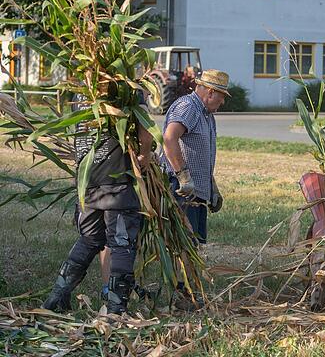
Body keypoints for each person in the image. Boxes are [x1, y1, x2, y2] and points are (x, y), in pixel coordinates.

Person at [43, 93, 153, 315]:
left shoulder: (81, 92)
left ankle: (57, 297)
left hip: (87, 180)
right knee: (122, 243)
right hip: (116, 183)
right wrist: (144, 156)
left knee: (90, 238)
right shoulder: (125, 90)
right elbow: (146, 130)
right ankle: (115, 307)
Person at [160, 70, 228, 246]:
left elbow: (201, 154)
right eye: (221, 96)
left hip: (197, 191)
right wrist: (183, 176)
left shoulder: (207, 115)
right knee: (185, 244)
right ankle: (182, 274)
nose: (223, 101)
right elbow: (169, 138)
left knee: (196, 243)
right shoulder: (188, 107)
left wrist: (212, 187)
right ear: (211, 92)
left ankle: (192, 274)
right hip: (182, 190)